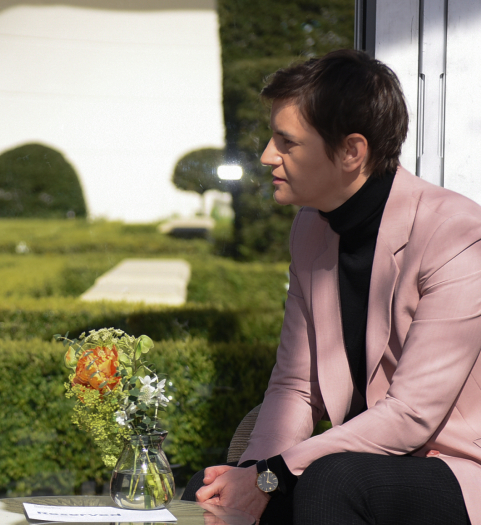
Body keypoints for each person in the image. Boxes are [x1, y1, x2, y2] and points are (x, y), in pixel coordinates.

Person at [182, 49, 481, 524]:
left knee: (331, 481)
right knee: (208, 489)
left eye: (287, 142)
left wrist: (271, 476)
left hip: (458, 468)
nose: (266, 156)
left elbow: (411, 415)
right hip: (356, 464)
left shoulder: (457, 234)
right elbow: (296, 386)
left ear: (351, 152)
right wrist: (248, 478)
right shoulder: (310, 229)